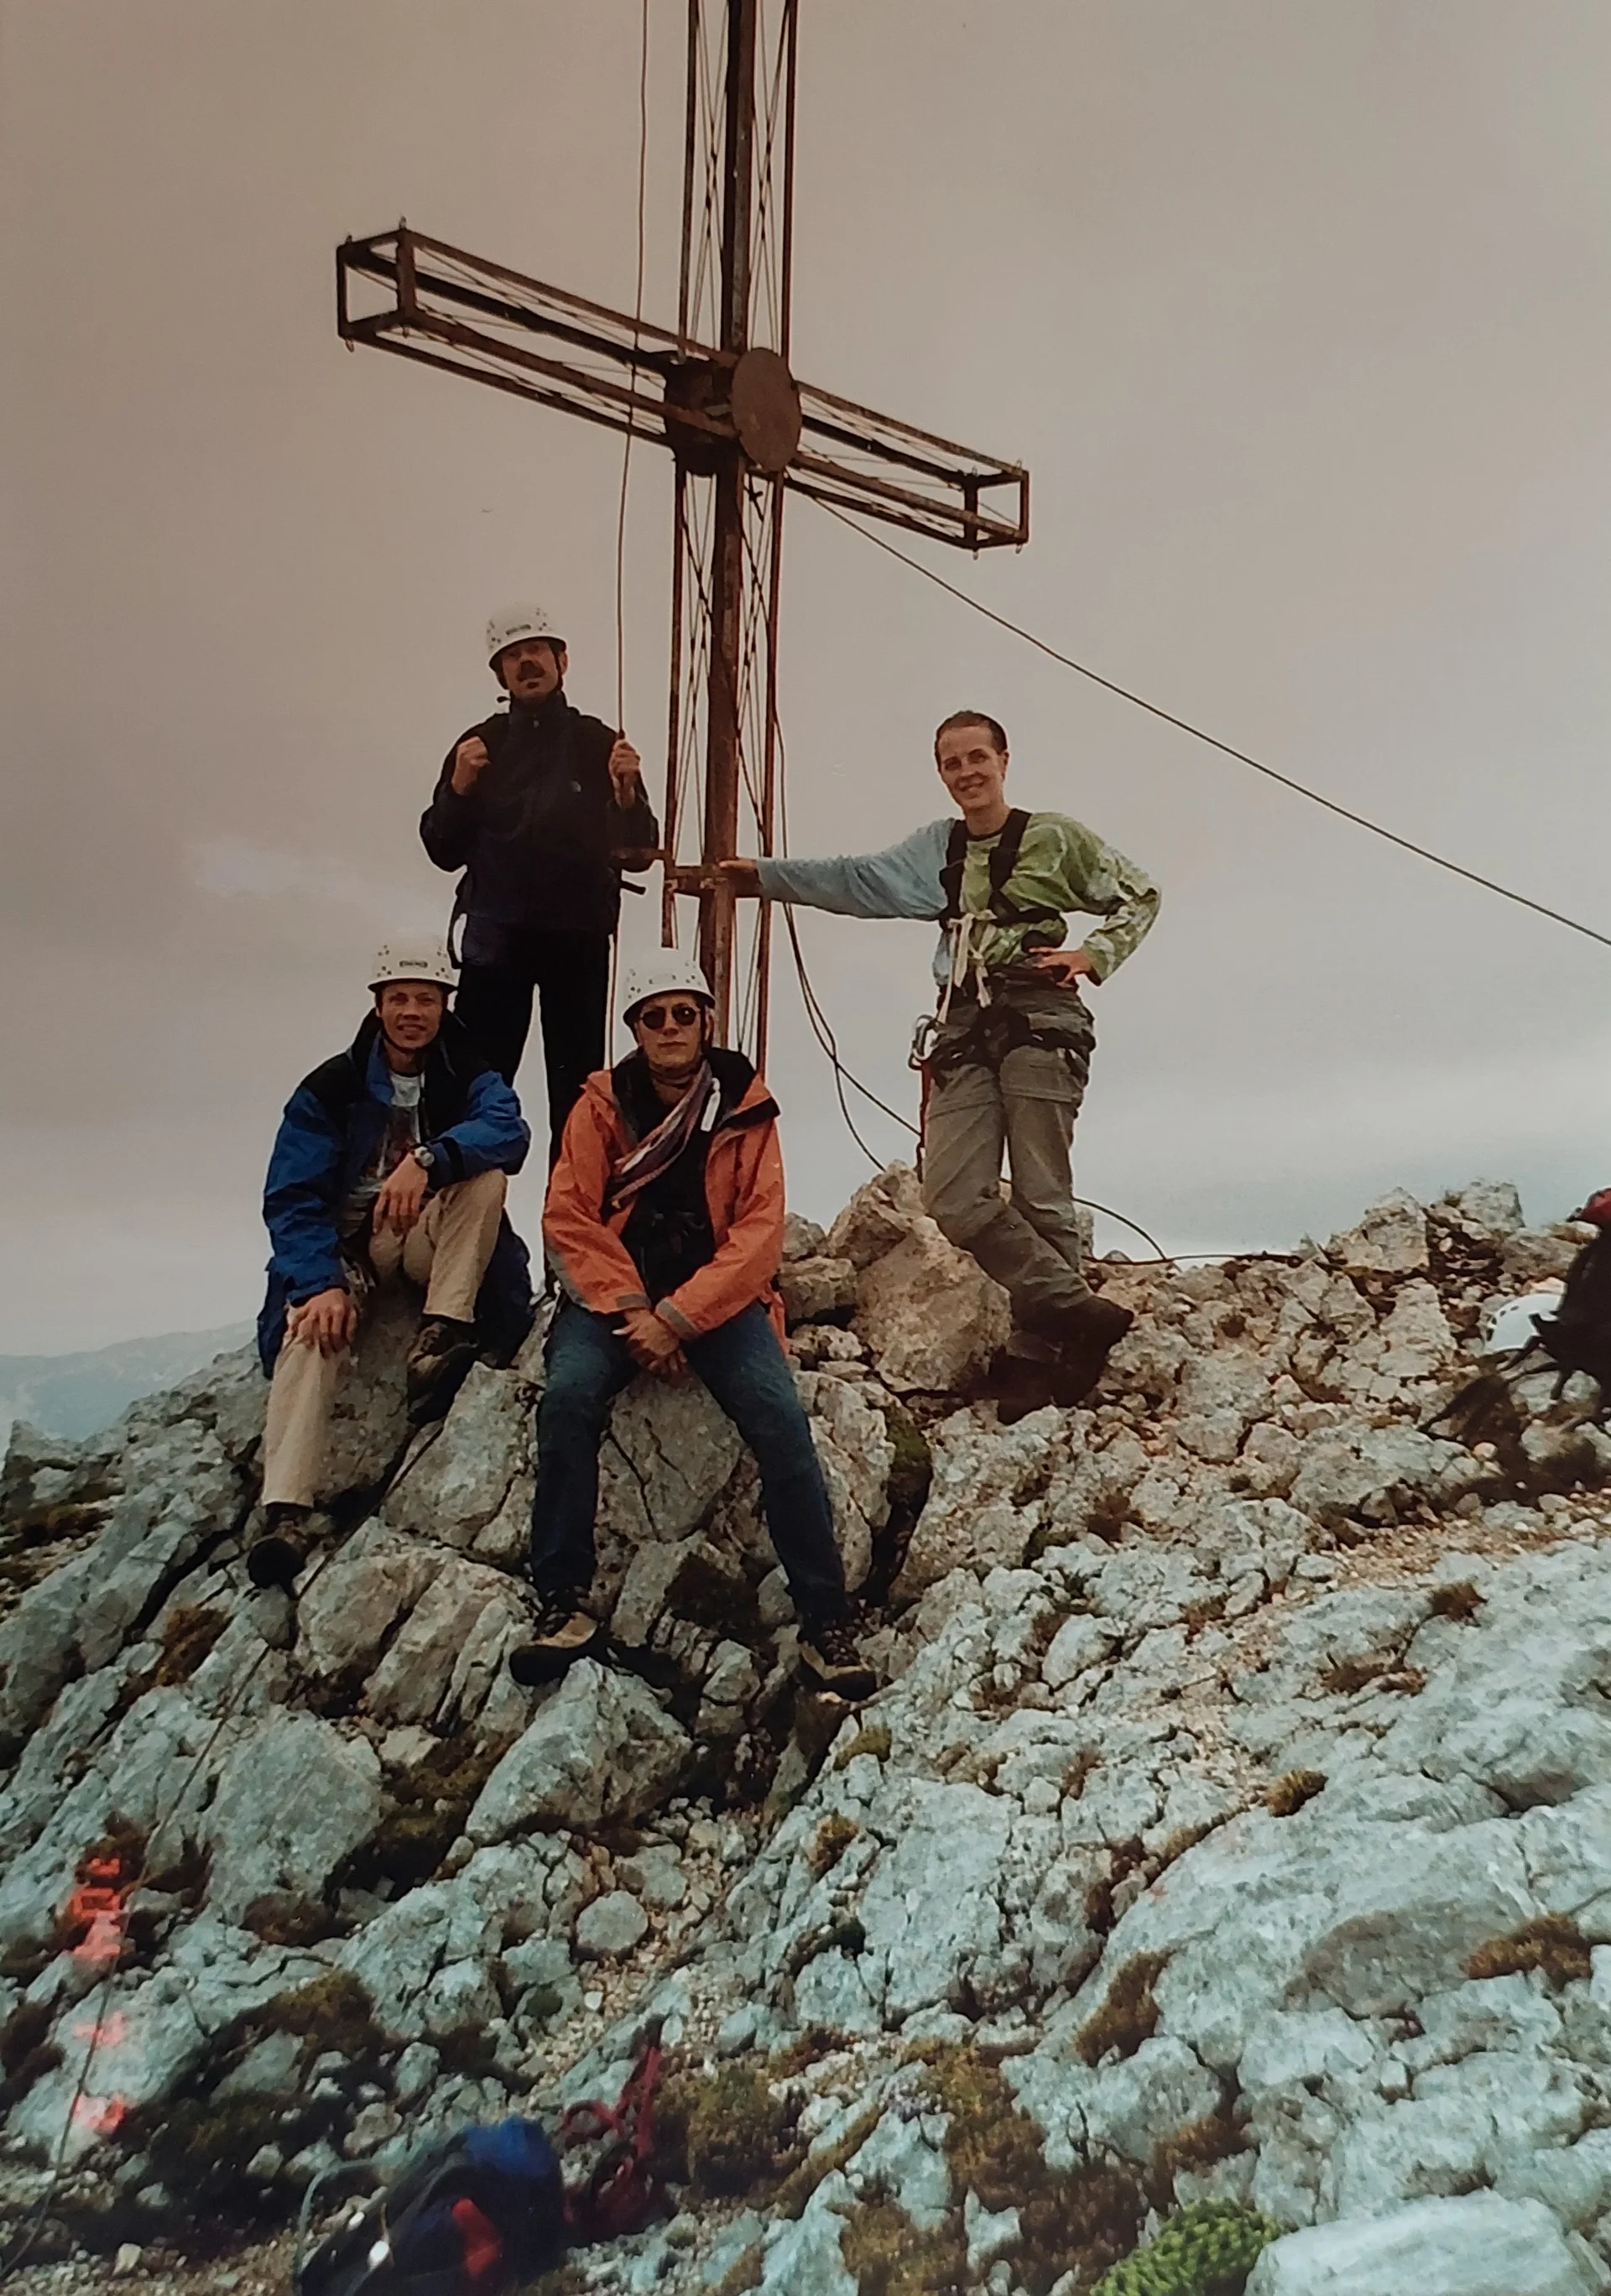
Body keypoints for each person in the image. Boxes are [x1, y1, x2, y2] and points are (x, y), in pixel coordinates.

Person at [722, 710, 1160, 1419]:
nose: (966, 772)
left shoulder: (1053, 837)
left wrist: (1092, 955)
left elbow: (1140, 894)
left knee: (1043, 1192)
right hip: (963, 1020)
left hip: (1039, 1017)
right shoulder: (938, 849)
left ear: (1004, 759)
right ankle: (1081, 1312)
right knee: (954, 1195)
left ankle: (1035, 1354)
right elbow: (857, 880)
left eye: (977, 757)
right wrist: (764, 879)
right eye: (952, 762)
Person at [508, 953, 876, 1700]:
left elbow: (757, 1233)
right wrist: (636, 1311)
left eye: (684, 1013)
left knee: (779, 1419)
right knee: (568, 1399)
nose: (671, 1027)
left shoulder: (746, 1105)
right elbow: (570, 1216)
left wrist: (678, 1316)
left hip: (712, 1300)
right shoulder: (602, 1107)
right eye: (655, 1016)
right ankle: (562, 1600)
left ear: (707, 1021)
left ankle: (824, 1621)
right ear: (636, 1029)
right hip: (617, 1298)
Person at [252, 941, 533, 1589]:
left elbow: (509, 1131)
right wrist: (319, 1281)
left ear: (443, 1006)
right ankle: (286, 1509)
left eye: (426, 998)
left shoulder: (466, 1070)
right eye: (400, 998)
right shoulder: (333, 1086)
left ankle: (442, 1330)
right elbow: (291, 1197)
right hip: (348, 1245)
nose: (412, 1011)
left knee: (486, 1179)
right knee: (311, 1329)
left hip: (418, 1237)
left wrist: (430, 1158)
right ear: (378, 1006)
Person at [420, 603, 660, 1160]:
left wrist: (625, 796)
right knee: (477, 1092)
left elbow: (639, 851)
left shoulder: (598, 743)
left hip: (574, 944)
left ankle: (567, 1242)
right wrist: (458, 789)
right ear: (500, 674)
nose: (527, 661)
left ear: (562, 660)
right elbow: (440, 848)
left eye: (537, 650)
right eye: (512, 655)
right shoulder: (478, 746)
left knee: (578, 1099)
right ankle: (474, 1240)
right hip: (494, 946)